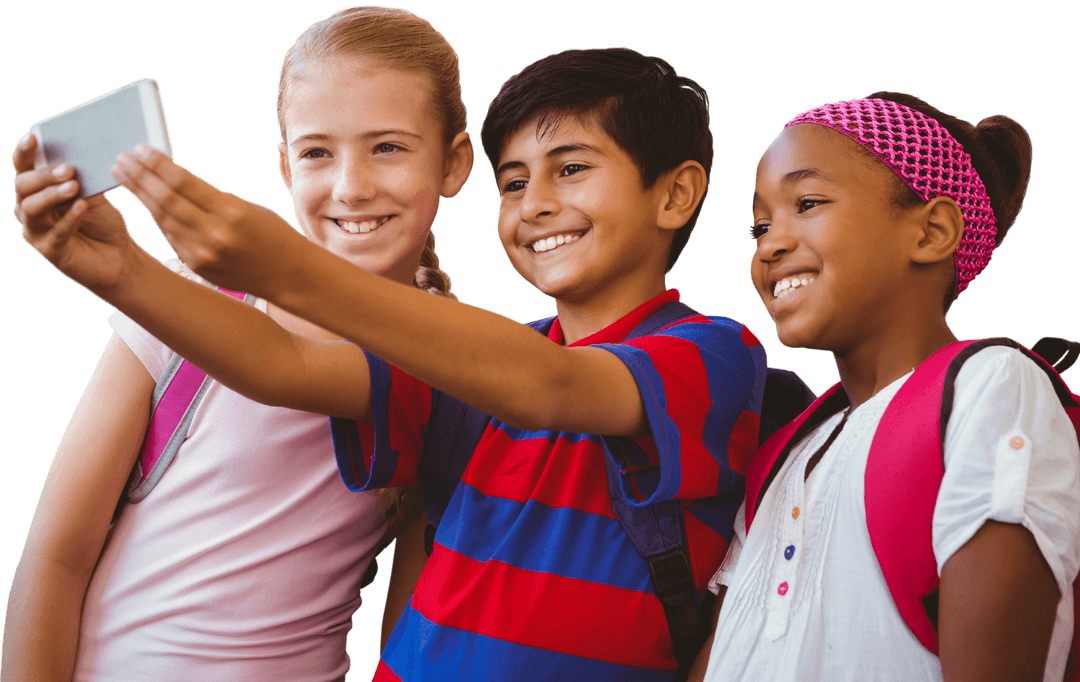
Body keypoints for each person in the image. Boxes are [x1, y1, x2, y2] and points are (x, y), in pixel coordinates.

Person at [17, 46, 765, 680]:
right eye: (514, 181)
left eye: (570, 169)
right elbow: (281, 364)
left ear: (676, 194)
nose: (535, 203)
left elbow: (553, 388)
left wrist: (286, 268)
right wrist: (121, 271)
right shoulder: (463, 363)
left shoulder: (710, 354)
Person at [5, 6, 472, 680]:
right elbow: (56, 556)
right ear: (285, 167)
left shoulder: (460, 364)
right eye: (318, 151)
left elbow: (411, 635)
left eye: (388, 146)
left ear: (454, 163)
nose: (351, 186)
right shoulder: (183, 300)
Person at [690, 93, 1080, 682]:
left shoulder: (990, 387)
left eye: (809, 202)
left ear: (932, 231)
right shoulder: (780, 456)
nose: (768, 245)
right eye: (760, 224)